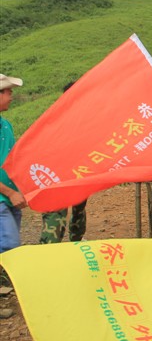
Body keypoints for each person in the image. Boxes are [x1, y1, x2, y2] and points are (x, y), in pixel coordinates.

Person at [40, 82, 87, 244]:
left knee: (79, 210)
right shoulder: (54, 118)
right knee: (56, 215)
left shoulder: (84, 118)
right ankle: (49, 252)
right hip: (56, 177)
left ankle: (76, 242)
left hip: (79, 173)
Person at [0, 74, 27, 255]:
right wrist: (10, 192)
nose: (11, 97)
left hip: (10, 197)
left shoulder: (6, 125)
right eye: (8, 92)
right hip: (4, 196)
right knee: (10, 246)